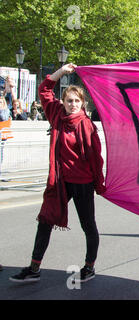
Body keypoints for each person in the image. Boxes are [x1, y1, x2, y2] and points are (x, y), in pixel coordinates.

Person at [9, 63, 106, 283]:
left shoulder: (88, 126)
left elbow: (96, 159)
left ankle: (89, 267)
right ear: (63, 102)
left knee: (88, 225)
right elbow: (44, 89)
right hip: (60, 182)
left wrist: (99, 185)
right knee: (45, 221)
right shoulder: (55, 115)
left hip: (83, 183)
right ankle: (34, 269)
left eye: (77, 101)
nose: (73, 104)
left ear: (83, 103)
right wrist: (61, 72)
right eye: (69, 100)